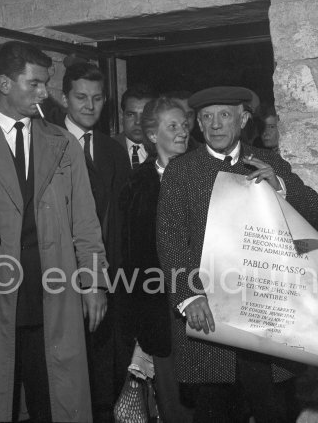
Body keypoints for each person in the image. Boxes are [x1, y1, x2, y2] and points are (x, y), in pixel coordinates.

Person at [0, 40, 108, 422]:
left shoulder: (63, 143)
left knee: (56, 403)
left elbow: (85, 222)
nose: (44, 93)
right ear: (4, 84)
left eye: (46, 84)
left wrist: (95, 283)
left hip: (52, 298)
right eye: (34, 84)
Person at [156, 86, 318, 423]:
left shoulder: (270, 162)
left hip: (265, 317)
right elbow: (171, 240)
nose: (215, 124)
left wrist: (281, 187)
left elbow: (311, 212)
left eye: (224, 115)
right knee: (216, 409)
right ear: (198, 124)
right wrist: (190, 297)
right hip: (211, 319)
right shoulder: (181, 172)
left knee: (273, 410)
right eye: (206, 117)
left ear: (243, 119)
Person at [61, 60, 133, 422]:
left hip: (110, 279)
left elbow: (120, 222)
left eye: (98, 98)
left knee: (106, 374)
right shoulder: (49, 145)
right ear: (64, 98)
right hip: (60, 280)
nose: (89, 106)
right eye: (80, 97)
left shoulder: (112, 150)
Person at [120, 96, 192, 422]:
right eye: (172, 126)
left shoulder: (202, 176)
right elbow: (131, 255)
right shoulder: (138, 184)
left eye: (185, 125)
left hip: (203, 301)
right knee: (172, 404)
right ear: (152, 135)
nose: (182, 132)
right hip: (159, 313)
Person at [115, 84, 157, 168]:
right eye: (130, 114)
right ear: (121, 116)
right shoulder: (107, 149)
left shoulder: (165, 149)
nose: (138, 122)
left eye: (144, 115)